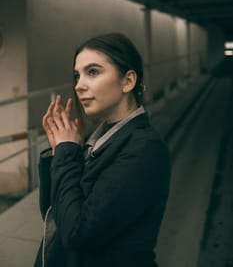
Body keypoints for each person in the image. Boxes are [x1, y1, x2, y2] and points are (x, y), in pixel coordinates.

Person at [34, 32, 170, 267]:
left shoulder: (145, 149)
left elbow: (78, 233)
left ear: (128, 81)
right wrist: (60, 152)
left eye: (93, 72)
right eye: (77, 75)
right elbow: (56, 214)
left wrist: (67, 153)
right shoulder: (97, 140)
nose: (78, 85)